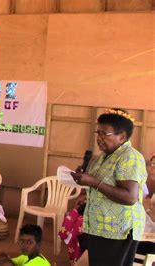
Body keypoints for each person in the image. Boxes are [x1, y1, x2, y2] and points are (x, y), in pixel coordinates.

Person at [71, 109, 147, 266]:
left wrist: (92, 182)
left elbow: (130, 197)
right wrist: (86, 193)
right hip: (100, 228)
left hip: (118, 231)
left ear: (122, 137)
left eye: (105, 134)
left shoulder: (129, 157)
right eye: (98, 133)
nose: (99, 138)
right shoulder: (103, 157)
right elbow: (103, 187)